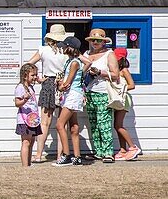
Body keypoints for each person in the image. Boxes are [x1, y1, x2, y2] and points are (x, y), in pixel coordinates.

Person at [25, 24, 71, 163]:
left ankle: (38, 155)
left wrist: (37, 77)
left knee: (44, 122)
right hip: (63, 83)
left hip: (48, 83)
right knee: (62, 124)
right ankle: (60, 156)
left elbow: (28, 64)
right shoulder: (67, 51)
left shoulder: (43, 50)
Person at [82, 29, 120, 163]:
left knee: (104, 123)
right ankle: (99, 152)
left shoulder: (109, 54)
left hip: (104, 92)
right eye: (93, 40)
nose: (95, 42)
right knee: (94, 124)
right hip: (89, 92)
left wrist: (99, 72)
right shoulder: (86, 54)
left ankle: (108, 153)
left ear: (104, 42)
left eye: (98, 40)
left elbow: (116, 75)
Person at [54, 36, 86, 167]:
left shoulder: (74, 63)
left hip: (72, 94)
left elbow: (68, 82)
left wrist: (60, 85)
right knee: (74, 126)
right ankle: (77, 156)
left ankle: (66, 155)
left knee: (59, 124)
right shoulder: (71, 61)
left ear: (70, 47)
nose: (62, 48)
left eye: (64, 46)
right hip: (71, 95)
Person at [112, 48, 140, 161]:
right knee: (116, 124)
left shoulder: (124, 70)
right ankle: (123, 149)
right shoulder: (115, 69)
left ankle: (133, 147)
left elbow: (132, 85)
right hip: (117, 99)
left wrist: (120, 88)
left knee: (118, 125)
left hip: (123, 98)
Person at [14, 63, 42, 167]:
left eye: (36, 75)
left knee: (32, 140)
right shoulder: (20, 87)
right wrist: (24, 99)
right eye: (33, 75)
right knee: (26, 141)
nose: (35, 77)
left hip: (33, 120)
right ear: (25, 75)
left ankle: (29, 163)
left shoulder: (30, 87)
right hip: (24, 119)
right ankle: (25, 165)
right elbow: (17, 103)